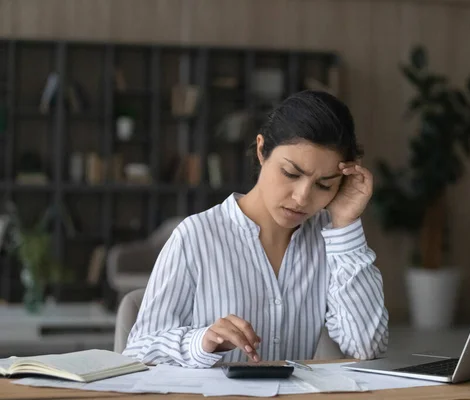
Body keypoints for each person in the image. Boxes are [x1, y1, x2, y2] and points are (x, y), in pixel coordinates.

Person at [123, 90, 389, 368]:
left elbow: (367, 346)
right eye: (290, 173)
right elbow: (138, 352)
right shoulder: (195, 237)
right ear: (262, 150)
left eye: (324, 185)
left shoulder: (332, 239)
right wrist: (201, 342)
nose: (302, 197)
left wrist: (346, 225)